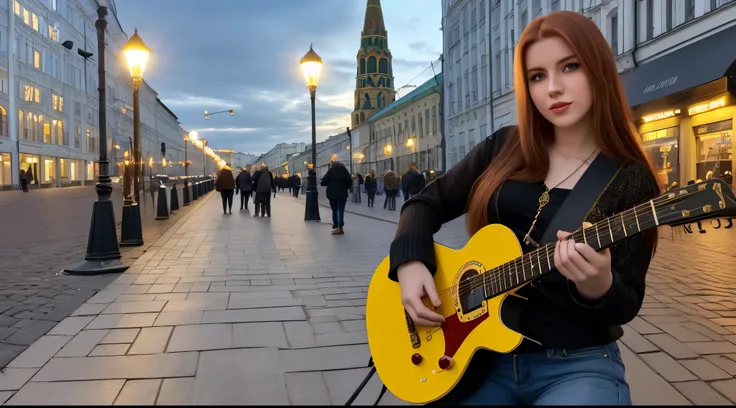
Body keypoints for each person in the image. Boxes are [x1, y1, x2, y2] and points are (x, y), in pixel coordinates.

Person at [389, 11, 660, 406]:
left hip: (576, 363)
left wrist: (597, 285)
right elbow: (424, 203)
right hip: (477, 358)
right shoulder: (505, 148)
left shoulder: (630, 178)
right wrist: (411, 264)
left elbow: (627, 301)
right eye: (537, 76)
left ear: (599, 70)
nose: (553, 88)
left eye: (570, 67)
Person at [321, 155, 352, 235]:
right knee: (341, 210)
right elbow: (349, 183)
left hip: (332, 194)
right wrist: (345, 186)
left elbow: (323, 182)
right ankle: (340, 226)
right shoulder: (345, 172)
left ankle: (335, 226)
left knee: (335, 210)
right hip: (342, 193)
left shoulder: (331, 171)